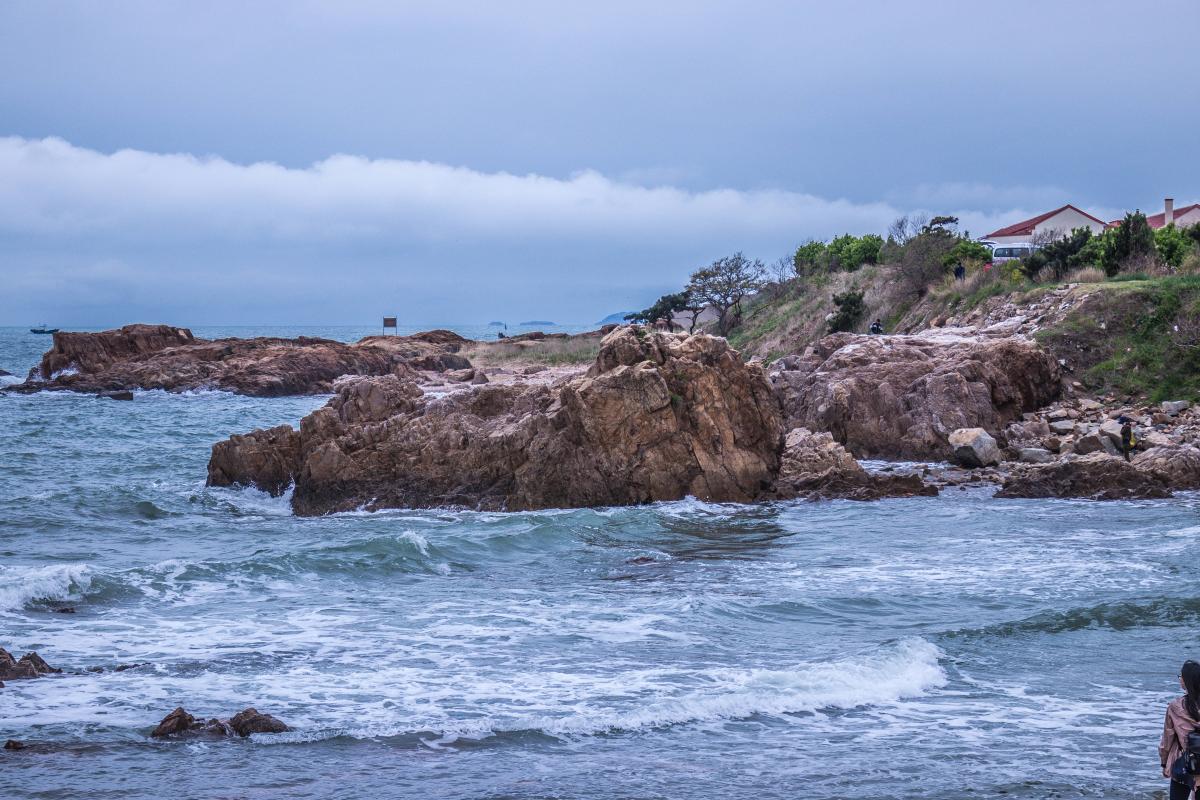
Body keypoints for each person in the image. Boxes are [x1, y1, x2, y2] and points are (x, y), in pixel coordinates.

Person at [1161, 660, 1200, 799]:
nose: (1180, 679)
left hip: (1184, 763)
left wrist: (1164, 762)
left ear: (1186, 681)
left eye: (1181, 676)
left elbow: (1167, 740)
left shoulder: (1176, 706)